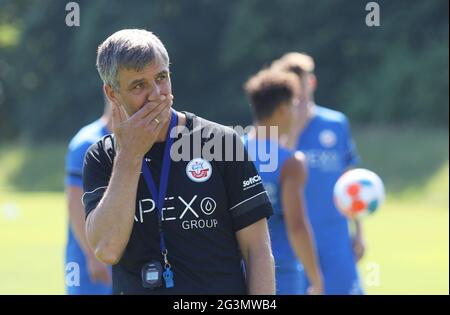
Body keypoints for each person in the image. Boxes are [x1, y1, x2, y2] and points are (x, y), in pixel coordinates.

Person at [82, 29, 275, 295]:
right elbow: (108, 248)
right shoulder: (102, 157)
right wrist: (130, 155)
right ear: (112, 93)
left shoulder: (220, 142)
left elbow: (258, 250)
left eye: (161, 78)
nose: (156, 94)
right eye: (139, 85)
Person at [271, 52, 365, 294]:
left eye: (301, 85)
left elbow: (350, 181)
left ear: (311, 83)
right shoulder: (275, 130)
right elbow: (276, 174)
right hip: (293, 241)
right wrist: (294, 132)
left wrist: (359, 232)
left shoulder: (336, 123)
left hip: (335, 238)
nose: (299, 95)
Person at [242, 68, 323, 295]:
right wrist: (316, 279)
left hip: (237, 271)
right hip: (281, 273)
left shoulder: (229, 151)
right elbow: (296, 226)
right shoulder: (291, 162)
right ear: (281, 110)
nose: (297, 113)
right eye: (294, 105)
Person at [65, 96, 113, 295]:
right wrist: (92, 256)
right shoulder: (86, 143)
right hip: (87, 260)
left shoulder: (135, 142)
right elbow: (75, 204)